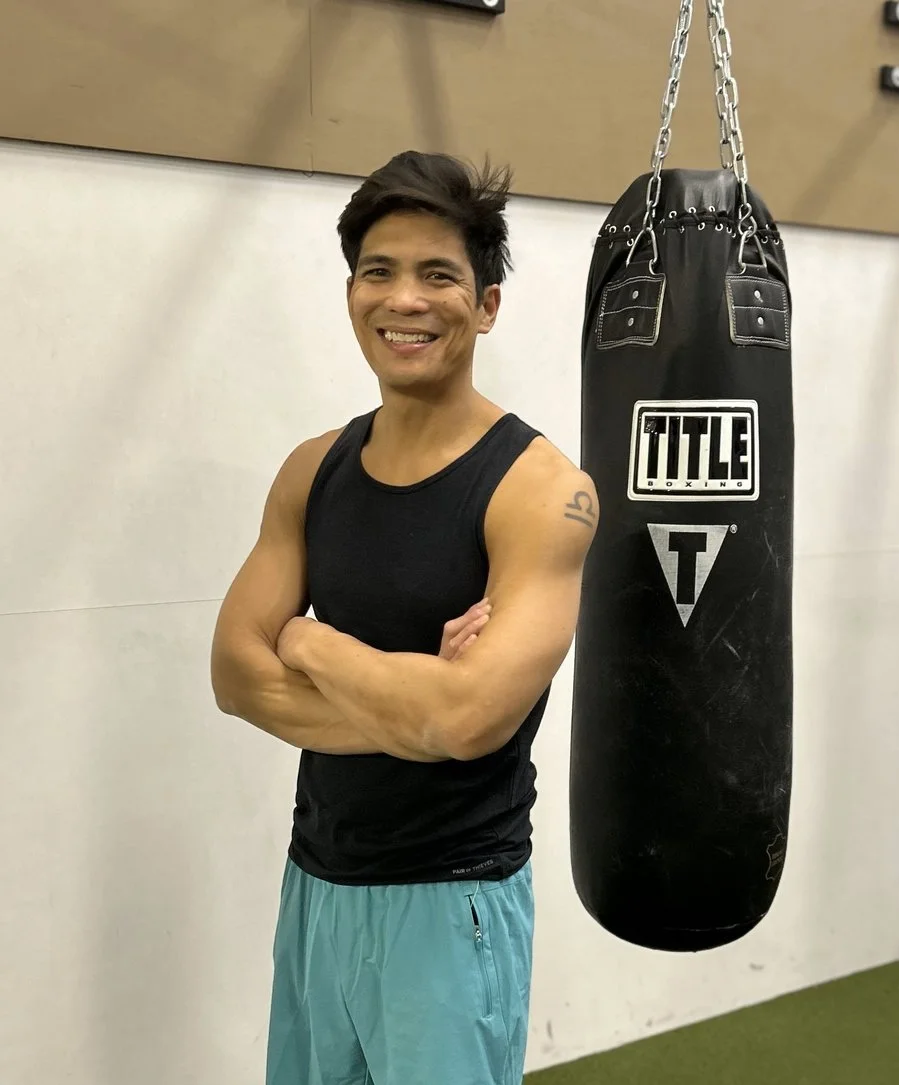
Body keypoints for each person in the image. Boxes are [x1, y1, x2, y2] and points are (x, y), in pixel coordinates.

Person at [210, 150, 600, 1085]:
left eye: (439, 275)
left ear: (488, 302)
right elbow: (233, 674)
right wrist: (415, 704)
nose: (405, 300)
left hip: (450, 901)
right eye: (379, 272)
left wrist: (304, 640)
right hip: (318, 884)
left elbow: (470, 719)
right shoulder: (314, 471)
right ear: (352, 292)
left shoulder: (542, 492)